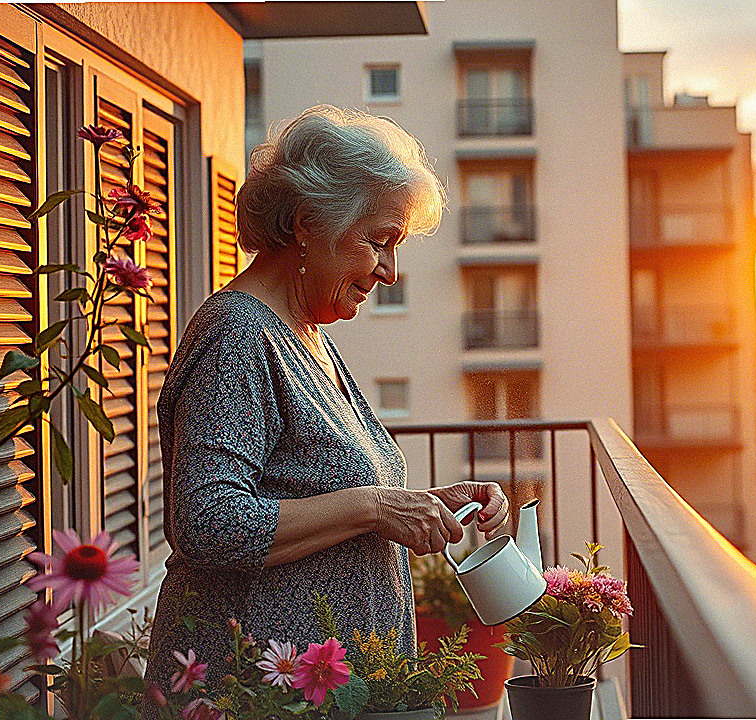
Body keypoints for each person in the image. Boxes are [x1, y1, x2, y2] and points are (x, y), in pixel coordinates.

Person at [143, 106, 509, 699]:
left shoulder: (306, 334)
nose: (389, 272)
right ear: (310, 222)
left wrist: (427, 505)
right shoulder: (236, 334)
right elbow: (207, 524)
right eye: (377, 242)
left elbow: (313, 491)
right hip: (255, 696)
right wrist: (373, 508)